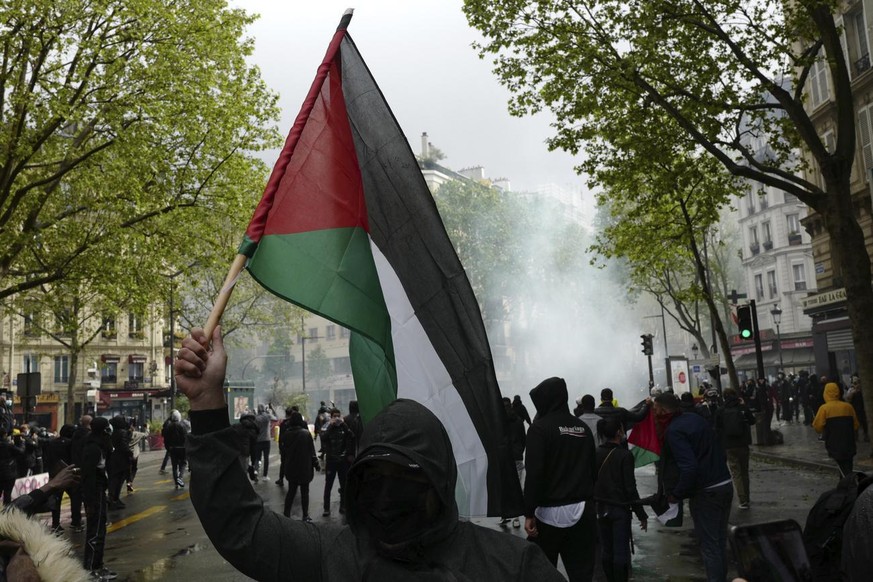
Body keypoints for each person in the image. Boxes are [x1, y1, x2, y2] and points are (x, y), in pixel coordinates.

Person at [175, 326, 563, 581]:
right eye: (374, 479)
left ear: (440, 482)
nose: (388, 497)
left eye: (406, 479)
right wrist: (208, 402)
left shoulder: (513, 568)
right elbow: (240, 526)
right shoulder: (331, 556)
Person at [652, 393, 732, 582]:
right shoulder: (695, 419)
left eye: (655, 410)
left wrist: (676, 494)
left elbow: (689, 467)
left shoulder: (674, 431)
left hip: (706, 492)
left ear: (663, 410)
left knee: (710, 546)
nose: (654, 414)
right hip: (725, 484)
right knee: (719, 542)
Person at [524, 376, 597, 582]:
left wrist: (529, 512)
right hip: (582, 511)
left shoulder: (539, 429)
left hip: (548, 514)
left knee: (544, 573)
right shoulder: (582, 428)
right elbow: (593, 470)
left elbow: (534, 474)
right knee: (581, 573)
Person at [594, 417, 648, 582]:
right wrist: (641, 514)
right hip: (619, 509)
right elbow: (630, 489)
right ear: (618, 432)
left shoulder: (595, 452)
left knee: (606, 550)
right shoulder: (625, 455)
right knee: (620, 552)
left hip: (600, 508)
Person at [81, 416, 117, 580]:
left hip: (100, 489)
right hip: (94, 492)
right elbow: (88, 476)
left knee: (100, 528)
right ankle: (89, 568)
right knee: (94, 531)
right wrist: (88, 502)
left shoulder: (101, 445)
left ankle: (98, 565)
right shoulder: (93, 448)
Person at [713, 388, 757, 510]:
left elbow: (717, 428)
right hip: (743, 444)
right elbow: (752, 421)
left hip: (729, 445)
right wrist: (744, 406)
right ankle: (747, 497)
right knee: (744, 472)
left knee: (736, 473)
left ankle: (742, 500)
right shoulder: (742, 409)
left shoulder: (720, 410)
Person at [812, 382, 860, 477]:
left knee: (842, 468)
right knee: (848, 466)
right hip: (849, 442)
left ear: (825, 393)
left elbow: (817, 426)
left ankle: (847, 486)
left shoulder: (824, 409)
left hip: (834, 443)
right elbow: (856, 425)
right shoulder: (848, 407)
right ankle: (847, 485)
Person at [281, 411, 318, 521]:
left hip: (291, 466)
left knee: (291, 491)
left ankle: (286, 514)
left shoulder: (286, 434)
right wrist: (316, 465)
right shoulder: (306, 434)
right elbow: (312, 452)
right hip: (304, 467)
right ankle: (305, 515)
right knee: (304, 492)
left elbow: (283, 451)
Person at [321, 407, 354, 517]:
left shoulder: (344, 427)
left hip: (342, 461)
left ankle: (343, 506)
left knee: (343, 484)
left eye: (338, 416)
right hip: (331, 460)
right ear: (331, 417)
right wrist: (331, 425)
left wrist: (343, 425)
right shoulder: (327, 426)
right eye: (334, 416)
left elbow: (351, 436)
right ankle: (326, 508)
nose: (336, 418)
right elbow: (323, 438)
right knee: (328, 485)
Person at [499, 396, 526, 528]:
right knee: (517, 486)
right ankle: (516, 517)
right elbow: (523, 438)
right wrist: (520, 450)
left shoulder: (499, 421)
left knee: (505, 485)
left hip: (504, 457)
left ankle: (505, 515)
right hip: (516, 456)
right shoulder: (519, 421)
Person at [70, 415, 91, 532]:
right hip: (86, 470)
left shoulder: (75, 434)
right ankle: (92, 519)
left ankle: (75, 521)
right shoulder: (89, 436)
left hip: (75, 468)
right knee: (89, 496)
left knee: (76, 497)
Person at [106, 415, 132, 510]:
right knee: (118, 481)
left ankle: (113, 498)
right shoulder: (122, 432)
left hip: (112, 459)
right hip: (121, 460)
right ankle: (114, 499)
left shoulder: (111, 432)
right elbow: (124, 445)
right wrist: (130, 453)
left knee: (113, 480)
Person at [163, 410, 188, 489]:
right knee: (183, 463)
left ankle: (176, 483)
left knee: (174, 466)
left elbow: (166, 439)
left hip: (172, 449)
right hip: (182, 448)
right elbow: (185, 437)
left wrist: (168, 448)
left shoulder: (169, 427)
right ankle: (180, 478)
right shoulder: (182, 426)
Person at [252, 404, 277, 481]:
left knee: (257, 458)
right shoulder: (267, 416)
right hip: (266, 440)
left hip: (258, 440)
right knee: (266, 458)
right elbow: (276, 418)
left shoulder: (256, 418)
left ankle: (256, 472)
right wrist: (271, 410)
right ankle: (265, 475)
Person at [275, 407, 296, 487]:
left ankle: (281, 479)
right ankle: (294, 479)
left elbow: (281, 437)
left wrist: (280, 447)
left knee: (283, 464)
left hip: (285, 447)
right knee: (294, 463)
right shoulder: (294, 422)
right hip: (293, 447)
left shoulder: (283, 423)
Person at [845, 375, 869, 443]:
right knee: (855, 422)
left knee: (864, 423)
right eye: (855, 383)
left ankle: (866, 435)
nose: (857, 385)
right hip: (855, 409)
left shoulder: (863, 390)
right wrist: (853, 392)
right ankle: (856, 436)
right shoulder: (851, 390)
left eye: (857, 383)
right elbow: (848, 399)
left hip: (862, 409)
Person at [126, 424, 148, 493]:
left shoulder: (124, 435)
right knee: (134, 469)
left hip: (127, 454)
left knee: (128, 470)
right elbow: (146, 435)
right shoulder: (137, 434)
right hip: (134, 455)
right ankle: (130, 482)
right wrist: (147, 428)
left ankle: (129, 483)